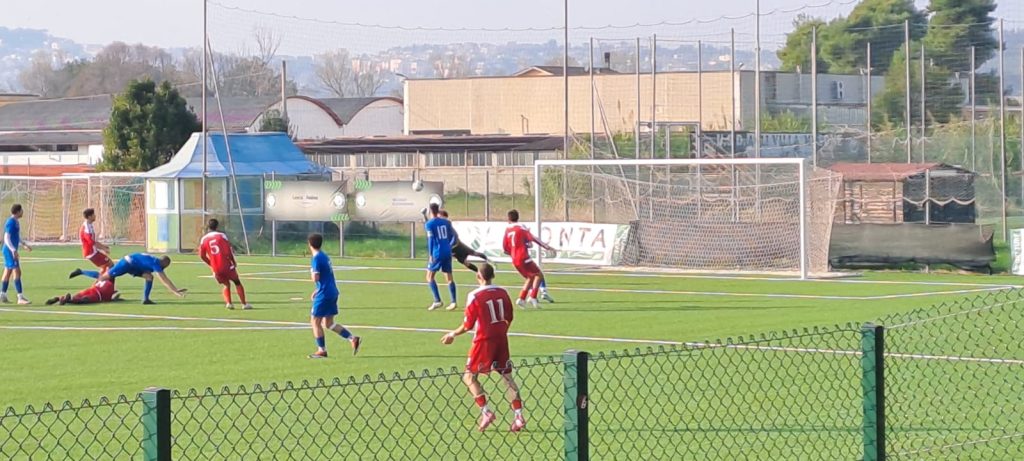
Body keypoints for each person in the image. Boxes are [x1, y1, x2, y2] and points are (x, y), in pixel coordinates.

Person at [440, 263, 525, 433]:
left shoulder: (474, 295)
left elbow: (468, 325)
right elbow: (509, 316)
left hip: (483, 341)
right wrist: (501, 331)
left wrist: (452, 334)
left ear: (478, 276)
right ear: (493, 275)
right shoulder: (503, 292)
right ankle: (518, 416)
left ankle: (486, 412)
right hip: (501, 339)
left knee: (469, 377)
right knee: (507, 377)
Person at [307, 233, 361, 359]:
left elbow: (316, 277)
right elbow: (327, 276)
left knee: (315, 321)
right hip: (332, 292)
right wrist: (317, 289)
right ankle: (352, 338)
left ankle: (321, 350)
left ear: (309, 244)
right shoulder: (324, 256)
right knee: (329, 323)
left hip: (325, 294)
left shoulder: (316, 258)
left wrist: (312, 276)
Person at [502, 209, 556, 308]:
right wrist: (546, 246)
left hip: (514, 259)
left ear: (508, 219)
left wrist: (515, 251)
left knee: (530, 277)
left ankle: (521, 299)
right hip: (523, 257)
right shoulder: (521, 227)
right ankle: (533, 297)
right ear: (518, 218)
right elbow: (533, 238)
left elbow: (505, 248)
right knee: (539, 275)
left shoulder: (507, 230)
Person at [199, 219, 251, 310]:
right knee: (237, 282)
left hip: (216, 268)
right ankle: (244, 304)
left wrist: (211, 264)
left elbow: (202, 256)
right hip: (226, 265)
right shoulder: (222, 236)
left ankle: (229, 303)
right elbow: (228, 251)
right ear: (217, 226)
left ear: (208, 227)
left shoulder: (204, 239)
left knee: (226, 284)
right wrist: (233, 261)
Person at [101, 253, 186, 304]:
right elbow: (164, 279)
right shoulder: (156, 264)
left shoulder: (156, 261)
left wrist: (175, 289)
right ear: (165, 263)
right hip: (127, 262)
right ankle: (95, 291)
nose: (165, 268)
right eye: (166, 266)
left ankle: (146, 299)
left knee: (149, 277)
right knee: (104, 277)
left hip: (134, 266)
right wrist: (175, 290)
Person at [424, 203, 458, 311]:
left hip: (437, 253)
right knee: (449, 277)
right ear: (438, 210)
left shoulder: (429, 224)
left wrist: (430, 254)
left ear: (430, 211)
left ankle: (437, 300)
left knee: (429, 276)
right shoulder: (446, 222)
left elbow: (430, 240)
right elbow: (454, 236)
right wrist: (449, 245)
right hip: (447, 251)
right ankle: (453, 301)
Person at [68, 208, 113, 280]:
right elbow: (91, 242)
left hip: (93, 252)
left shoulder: (89, 225)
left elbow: (93, 241)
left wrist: (103, 246)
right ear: (89, 217)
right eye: (93, 215)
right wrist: (103, 248)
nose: (95, 216)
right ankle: (82, 272)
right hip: (91, 253)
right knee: (110, 265)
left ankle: (99, 284)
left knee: (105, 268)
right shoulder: (86, 228)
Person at [2, 204, 32, 304]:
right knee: (17, 271)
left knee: (8, 271)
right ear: (18, 211)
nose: (22, 212)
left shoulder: (16, 222)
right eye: (21, 210)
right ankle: (20, 297)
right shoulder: (11, 222)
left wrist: (24, 244)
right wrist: (13, 250)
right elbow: (6, 237)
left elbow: (16, 236)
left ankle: (2, 294)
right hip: (9, 251)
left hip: (9, 250)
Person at [45, 279, 121, 305]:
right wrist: (116, 298)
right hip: (97, 295)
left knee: (77, 296)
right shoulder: (110, 285)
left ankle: (59, 298)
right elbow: (107, 299)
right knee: (84, 300)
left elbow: (95, 284)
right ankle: (68, 300)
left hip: (90, 289)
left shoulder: (102, 279)